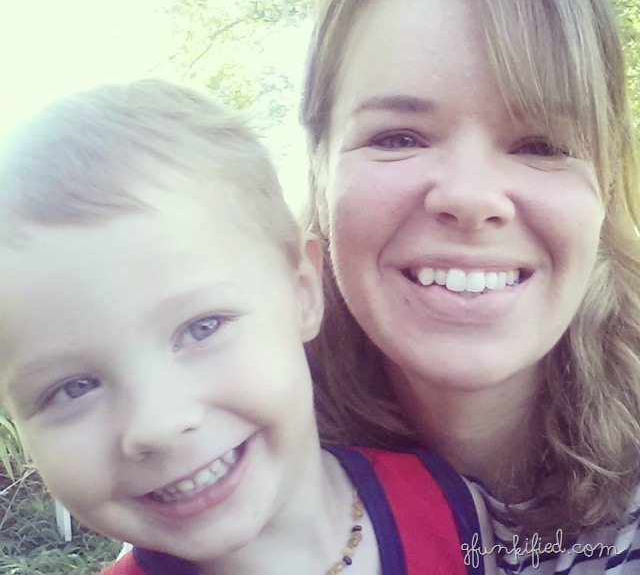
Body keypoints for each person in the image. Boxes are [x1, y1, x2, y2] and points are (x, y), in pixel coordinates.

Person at [0, 79, 487, 575]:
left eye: (202, 327)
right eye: (72, 388)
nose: (157, 425)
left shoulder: (449, 503)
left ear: (302, 292)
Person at [300, 0, 640, 572]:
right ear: (319, 172)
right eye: (399, 137)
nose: (471, 196)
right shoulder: (225, 466)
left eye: (541, 145)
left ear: (608, 186)